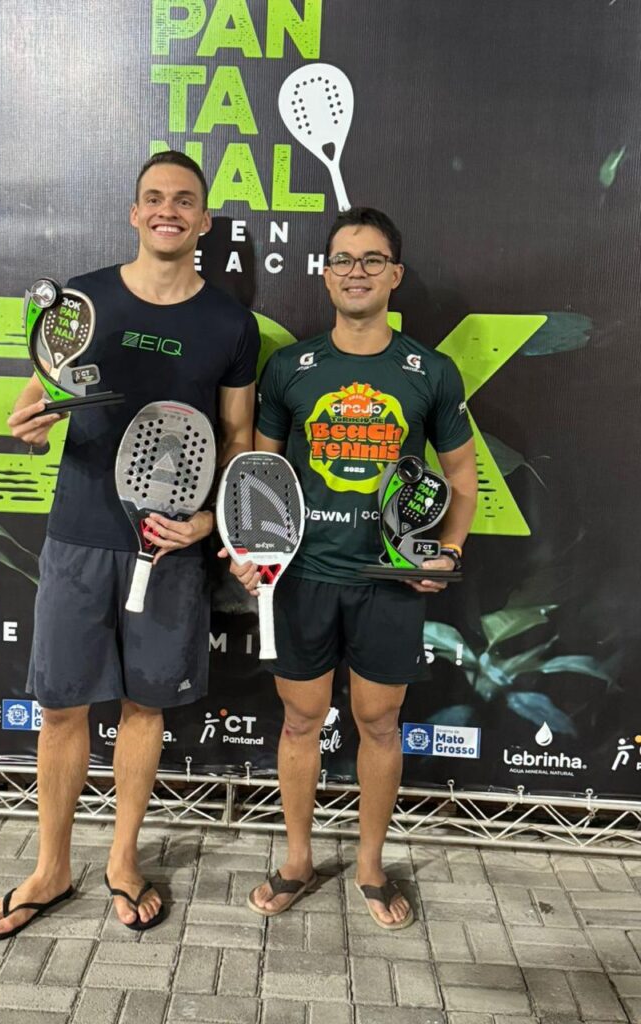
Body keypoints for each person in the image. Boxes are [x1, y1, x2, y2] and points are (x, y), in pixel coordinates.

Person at [0, 151, 260, 938]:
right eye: (154, 198)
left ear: (203, 221)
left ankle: (123, 861)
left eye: (184, 200)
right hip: (80, 535)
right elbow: (37, 402)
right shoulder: (85, 299)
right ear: (134, 214)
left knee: (145, 706)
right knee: (62, 707)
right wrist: (30, 428)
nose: (168, 210)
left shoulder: (231, 324)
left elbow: (237, 436)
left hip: (170, 545)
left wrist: (212, 522)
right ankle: (51, 868)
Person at [226, 207, 477, 929]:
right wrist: (253, 550)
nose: (356, 271)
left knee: (380, 723)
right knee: (300, 722)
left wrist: (448, 551)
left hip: (388, 582)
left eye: (372, 260)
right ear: (325, 274)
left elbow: (462, 479)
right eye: (343, 259)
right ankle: (298, 860)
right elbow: (261, 474)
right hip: (302, 576)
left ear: (395, 275)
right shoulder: (290, 368)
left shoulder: (430, 371)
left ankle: (369, 866)